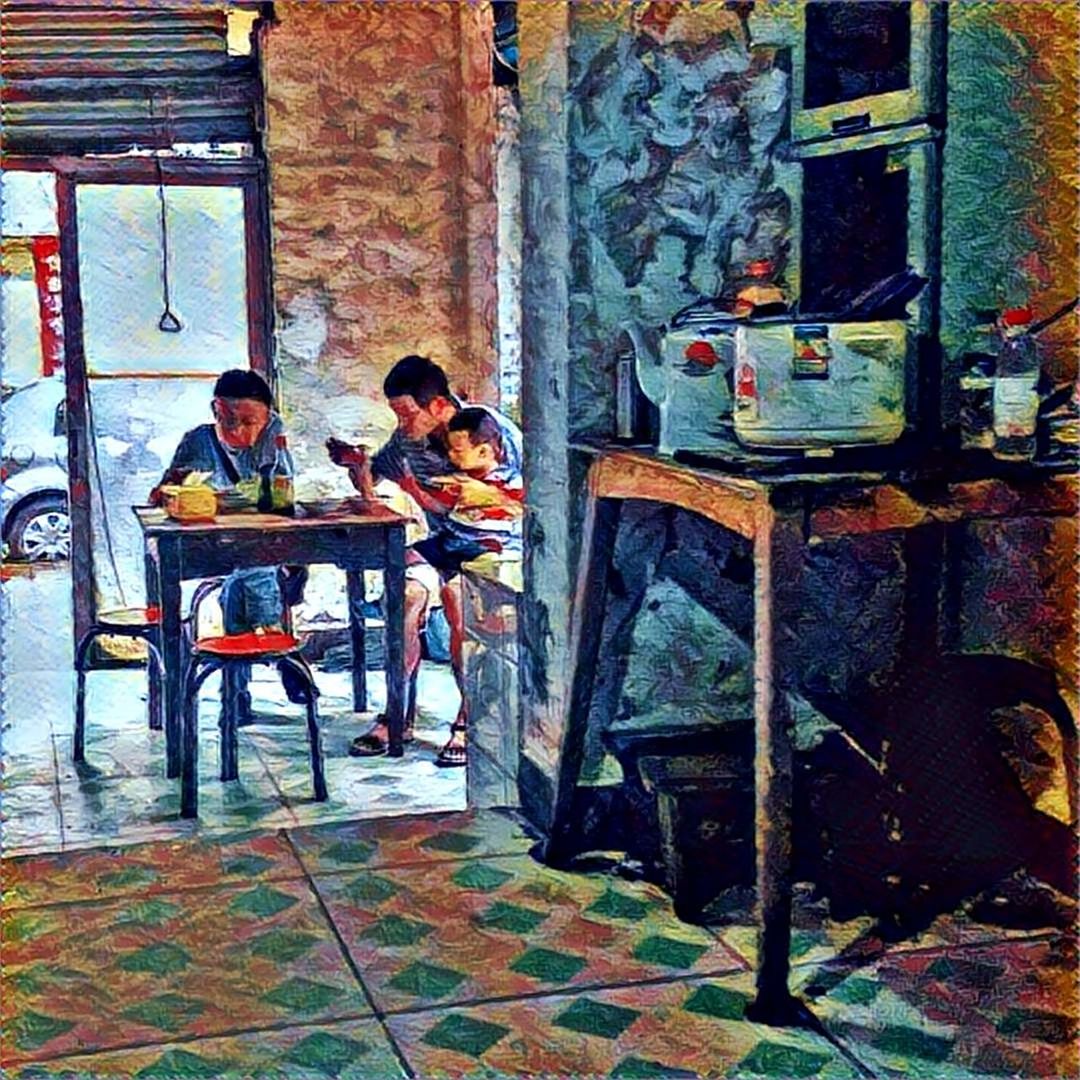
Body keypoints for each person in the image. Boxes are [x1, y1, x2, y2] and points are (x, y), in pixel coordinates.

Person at [327, 355, 522, 767]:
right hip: (443, 543)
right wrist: (358, 467)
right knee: (404, 594)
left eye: (406, 413)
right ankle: (398, 713)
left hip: (493, 548)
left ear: (437, 406)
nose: (401, 424)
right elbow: (376, 477)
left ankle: (469, 720)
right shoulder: (406, 442)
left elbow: (534, 494)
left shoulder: (486, 429)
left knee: (456, 601)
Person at [151, 368, 310, 716]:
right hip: (212, 547)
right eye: (230, 420)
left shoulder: (273, 434)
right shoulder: (198, 441)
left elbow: (281, 498)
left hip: (259, 549)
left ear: (268, 417)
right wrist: (173, 490)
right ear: (215, 411)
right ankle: (280, 650)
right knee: (252, 571)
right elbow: (160, 496)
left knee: (241, 583)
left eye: (250, 421)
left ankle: (236, 697)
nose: (240, 431)